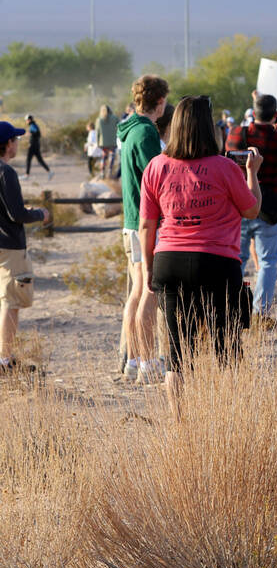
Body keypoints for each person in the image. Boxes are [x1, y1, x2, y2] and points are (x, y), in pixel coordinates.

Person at [138, 96, 262, 410]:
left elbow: (145, 225)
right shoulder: (224, 167)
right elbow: (252, 210)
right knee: (227, 347)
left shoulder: (157, 166)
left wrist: (150, 268)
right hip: (218, 261)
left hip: (169, 259)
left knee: (177, 354)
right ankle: (227, 420)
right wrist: (253, 173)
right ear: (210, 128)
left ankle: (179, 423)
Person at [227, 94, 277, 322]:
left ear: (253, 110)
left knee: (237, 260)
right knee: (268, 262)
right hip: (269, 209)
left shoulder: (235, 134)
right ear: (275, 114)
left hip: (239, 206)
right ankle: (261, 313)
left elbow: (227, 159)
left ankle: (233, 309)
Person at [117, 74, 170, 384]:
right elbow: (158, 177)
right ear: (160, 102)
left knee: (137, 292)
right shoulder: (147, 132)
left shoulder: (129, 128)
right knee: (149, 291)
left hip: (131, 222)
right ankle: (148, 361)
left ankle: (135, 360)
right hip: (145, 222)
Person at [0, 121, 51, 374]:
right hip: (9, 246)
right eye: (16, 140)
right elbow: (16, 213)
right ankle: (4, 359)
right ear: (8, 144)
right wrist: (39, 214)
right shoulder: (6, 172)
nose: (19, 143)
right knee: (11, 302)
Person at [97, 104, 120, 176]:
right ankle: (110, 170)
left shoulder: (99, 119)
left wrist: (98, 143)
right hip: (112, 141)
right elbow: (119, 128)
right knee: (111, 156)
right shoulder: (115, 118)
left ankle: (102, 172)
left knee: (104, 157)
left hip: (103, 142)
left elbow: (97, 132)